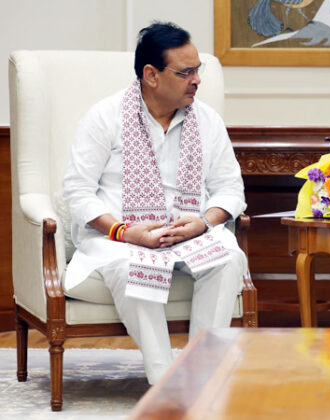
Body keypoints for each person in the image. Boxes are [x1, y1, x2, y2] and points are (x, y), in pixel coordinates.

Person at [62, 22, 247, 384]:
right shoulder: (105, 117)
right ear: (151, 75)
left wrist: (205, 222)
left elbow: (230, 189)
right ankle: (164, 383)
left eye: (198, 70)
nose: (197, 80)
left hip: (193, 234)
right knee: (136, 270)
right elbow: (77, 191)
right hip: (121, 238)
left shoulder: (208, 121)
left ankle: (201, 376)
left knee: (228, 258)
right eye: (185, 72)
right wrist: (124, 231)